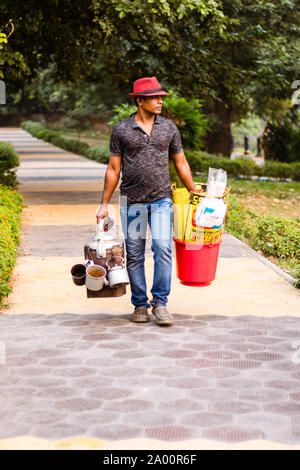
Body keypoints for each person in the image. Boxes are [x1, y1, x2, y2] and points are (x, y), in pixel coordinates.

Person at [96, 76, 195, 326]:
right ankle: (140, 304)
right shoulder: (121, 130)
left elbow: (180, 162)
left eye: (161, 97)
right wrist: (103, 204)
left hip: (162, 200)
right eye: (155, 98)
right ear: (140, 101)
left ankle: (160, 303)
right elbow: (113, 168)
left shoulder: (169, 128)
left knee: (163, 248)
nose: (160, 101)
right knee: (136, 254)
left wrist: (194, 192)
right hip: (133, 203)